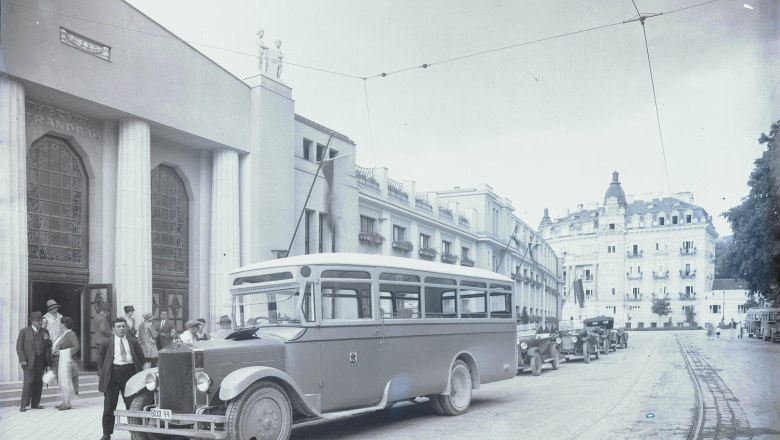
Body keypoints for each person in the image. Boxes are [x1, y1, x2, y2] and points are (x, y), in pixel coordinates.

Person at [98, 318, 144, 440]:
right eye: (118, 327)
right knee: (109, 405)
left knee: (132, 405)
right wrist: (105, 373)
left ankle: (134, 432)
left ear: (126, 328)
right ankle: (106, 433)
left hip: (130, 374)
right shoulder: (106, 343)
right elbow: (101, 360)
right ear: (113, 329)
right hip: (112, 374)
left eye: (123, 326)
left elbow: (140, 357)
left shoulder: (133, 342)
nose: (121, 329)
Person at [16, 311, 52, 412]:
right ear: (32, 321)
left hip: (41, 361)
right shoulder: (24, 331)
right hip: (28, 361)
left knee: (38, 382)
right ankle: (23, 405)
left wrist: (48, 340)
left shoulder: (44, 331)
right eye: (38, 321)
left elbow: (49, 345)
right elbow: (19, 347)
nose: (40, 322)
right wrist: (22, 359)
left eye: (41, 320)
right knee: (28, 382)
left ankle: (35, 403)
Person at [52, 316, 80, 410]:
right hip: (59, 361)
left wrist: (61, 352)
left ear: (64, 324)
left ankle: (67, 403)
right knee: (62, 382)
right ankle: (64, 401)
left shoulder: (71, 334)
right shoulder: (62, 334)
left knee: (66, 381)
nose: (59, 325)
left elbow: (76, 347)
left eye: (60, 323)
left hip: (66, 361)